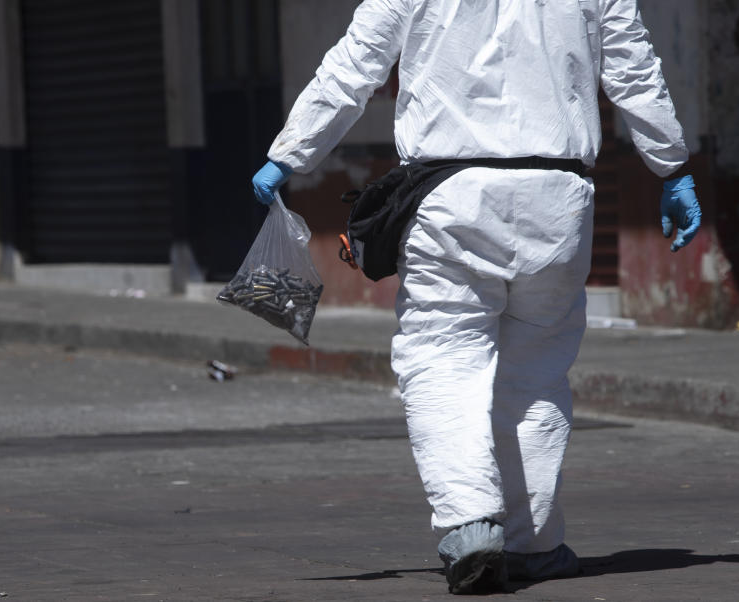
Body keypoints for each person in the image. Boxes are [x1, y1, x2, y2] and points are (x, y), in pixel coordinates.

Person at [251, 0, 701, 595]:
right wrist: (672, 168)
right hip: (558, 197)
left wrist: (290, 153)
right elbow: (633, 71)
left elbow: (354, 65)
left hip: (451, 197)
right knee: (537, 372)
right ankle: (534, 544)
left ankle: (470, 525)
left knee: (443, 356)